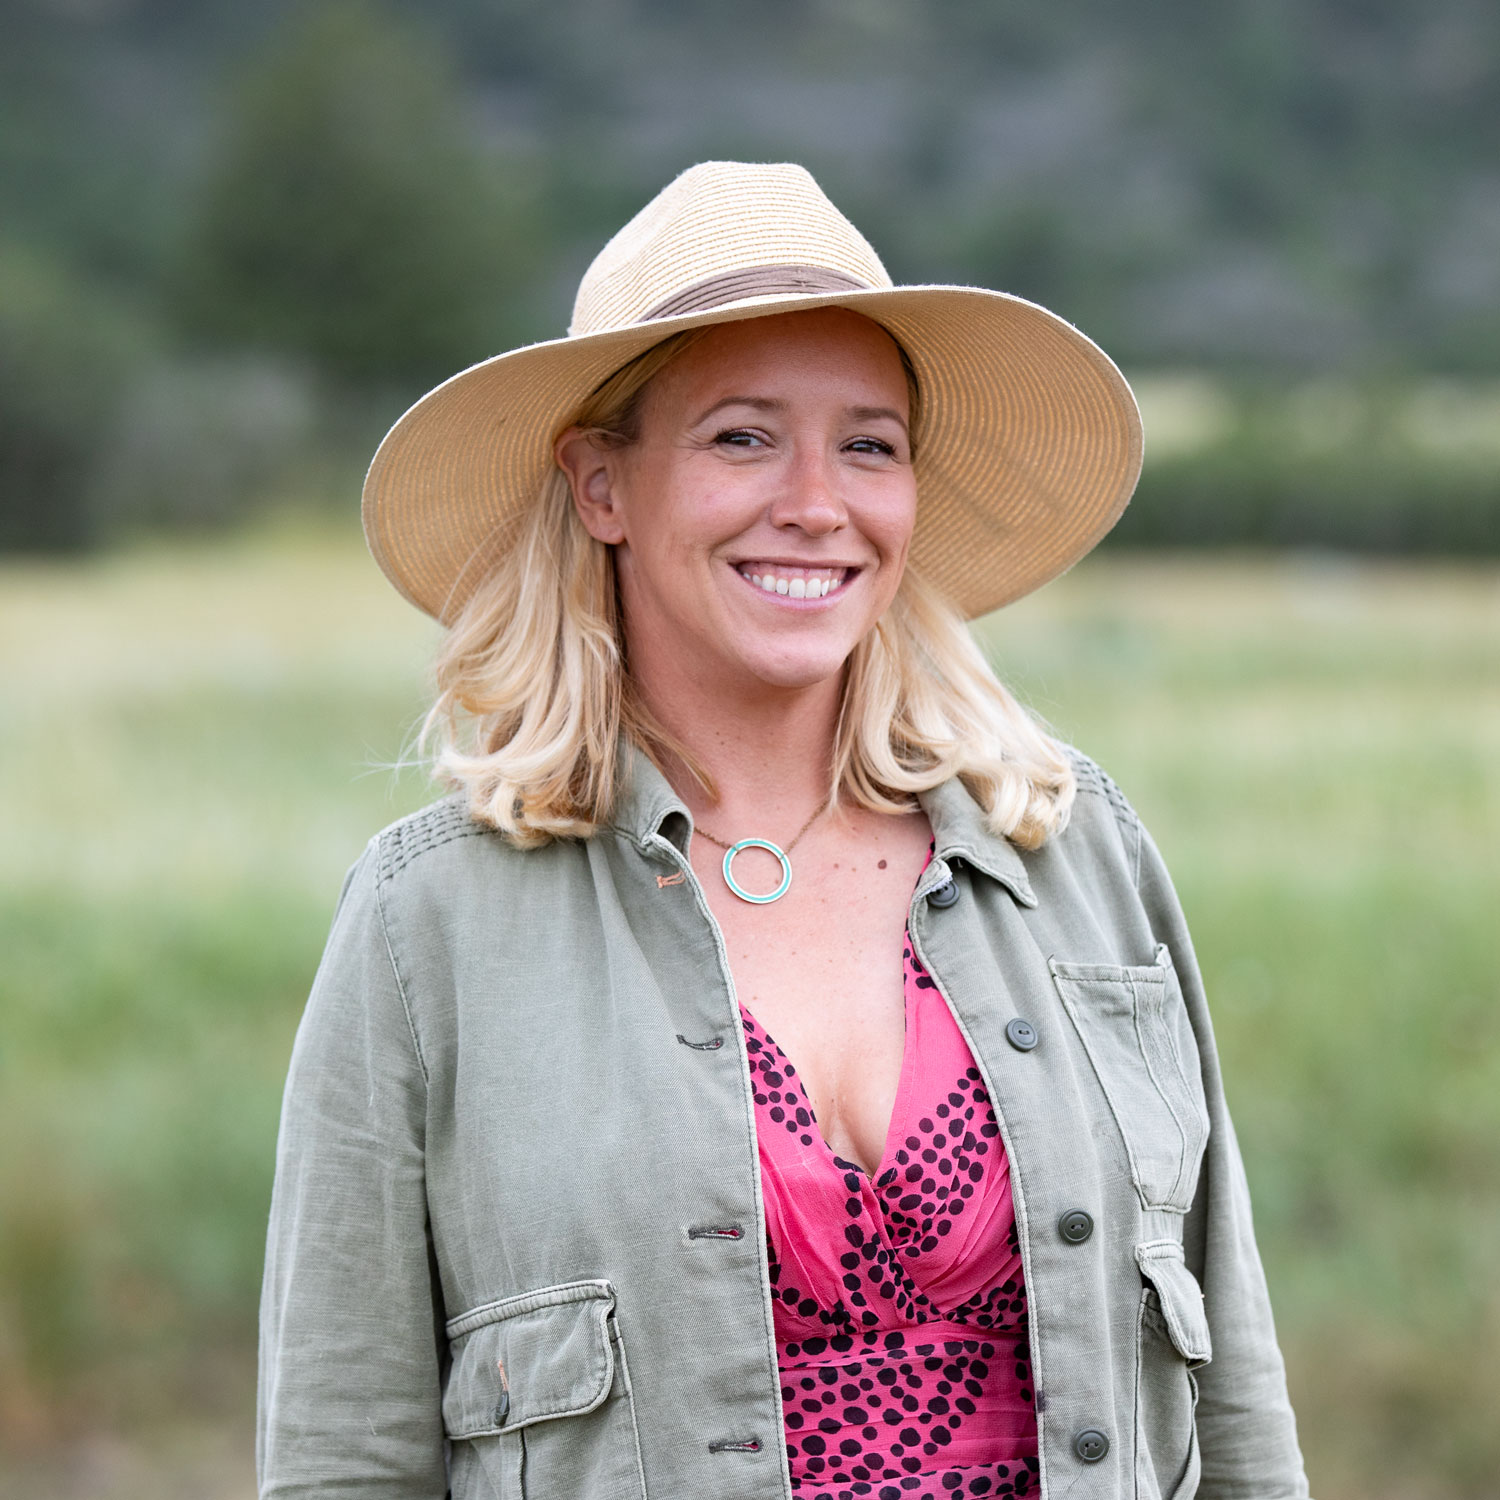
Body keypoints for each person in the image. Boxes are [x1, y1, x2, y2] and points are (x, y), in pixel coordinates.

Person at [257, 162, 1310, 1500]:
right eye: (743, 438)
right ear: (601, 486)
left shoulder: (1069, 850)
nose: (818, 502)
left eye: (868, 446)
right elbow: (344, 1454)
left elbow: (1234, 1394)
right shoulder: (432, 924)